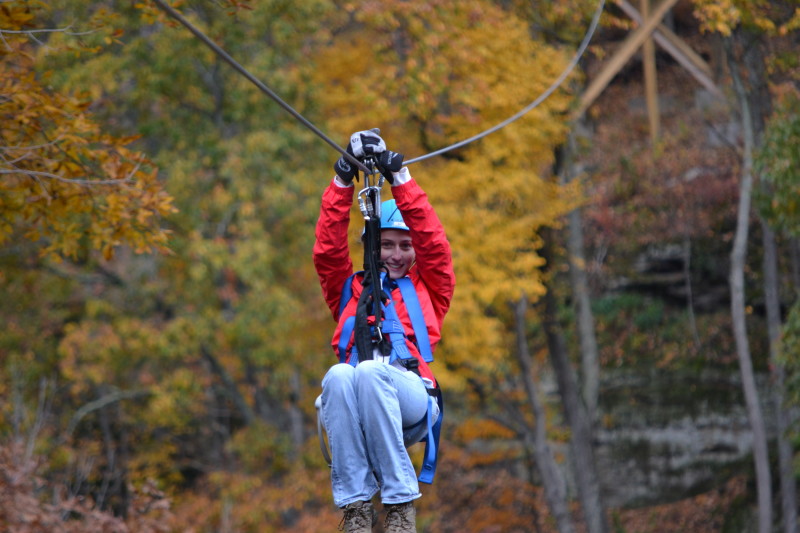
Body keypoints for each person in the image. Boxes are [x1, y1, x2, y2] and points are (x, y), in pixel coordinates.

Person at [313, 129, 455, 533]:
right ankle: (356, 508)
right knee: (339, 374)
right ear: (372, 247)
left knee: (370, 371)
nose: (395, 254)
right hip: (358, 402)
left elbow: (434, 245)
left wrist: (401, 180)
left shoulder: (430, 289)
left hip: (409, 396)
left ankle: (399, 505)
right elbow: (328, 251)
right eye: (387, 245)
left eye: (404, 246)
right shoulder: (350, 291)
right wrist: (342, 180)